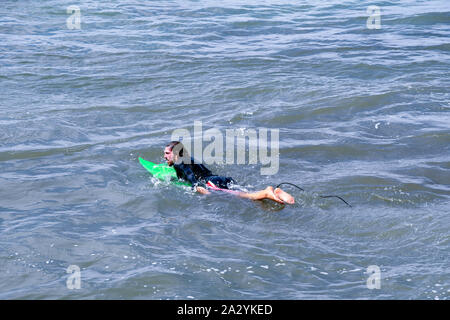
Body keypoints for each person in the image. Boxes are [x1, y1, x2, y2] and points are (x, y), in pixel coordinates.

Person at [163, 141, 295, 204]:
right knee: (250, 196)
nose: (164, 156)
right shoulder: (188, 157)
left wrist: (198, 188)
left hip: (210, 184)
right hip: (219, 179)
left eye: (167, 153)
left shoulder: (179, 162)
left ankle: (267, 192)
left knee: (246, 196)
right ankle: (275, 193)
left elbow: (192, 178)